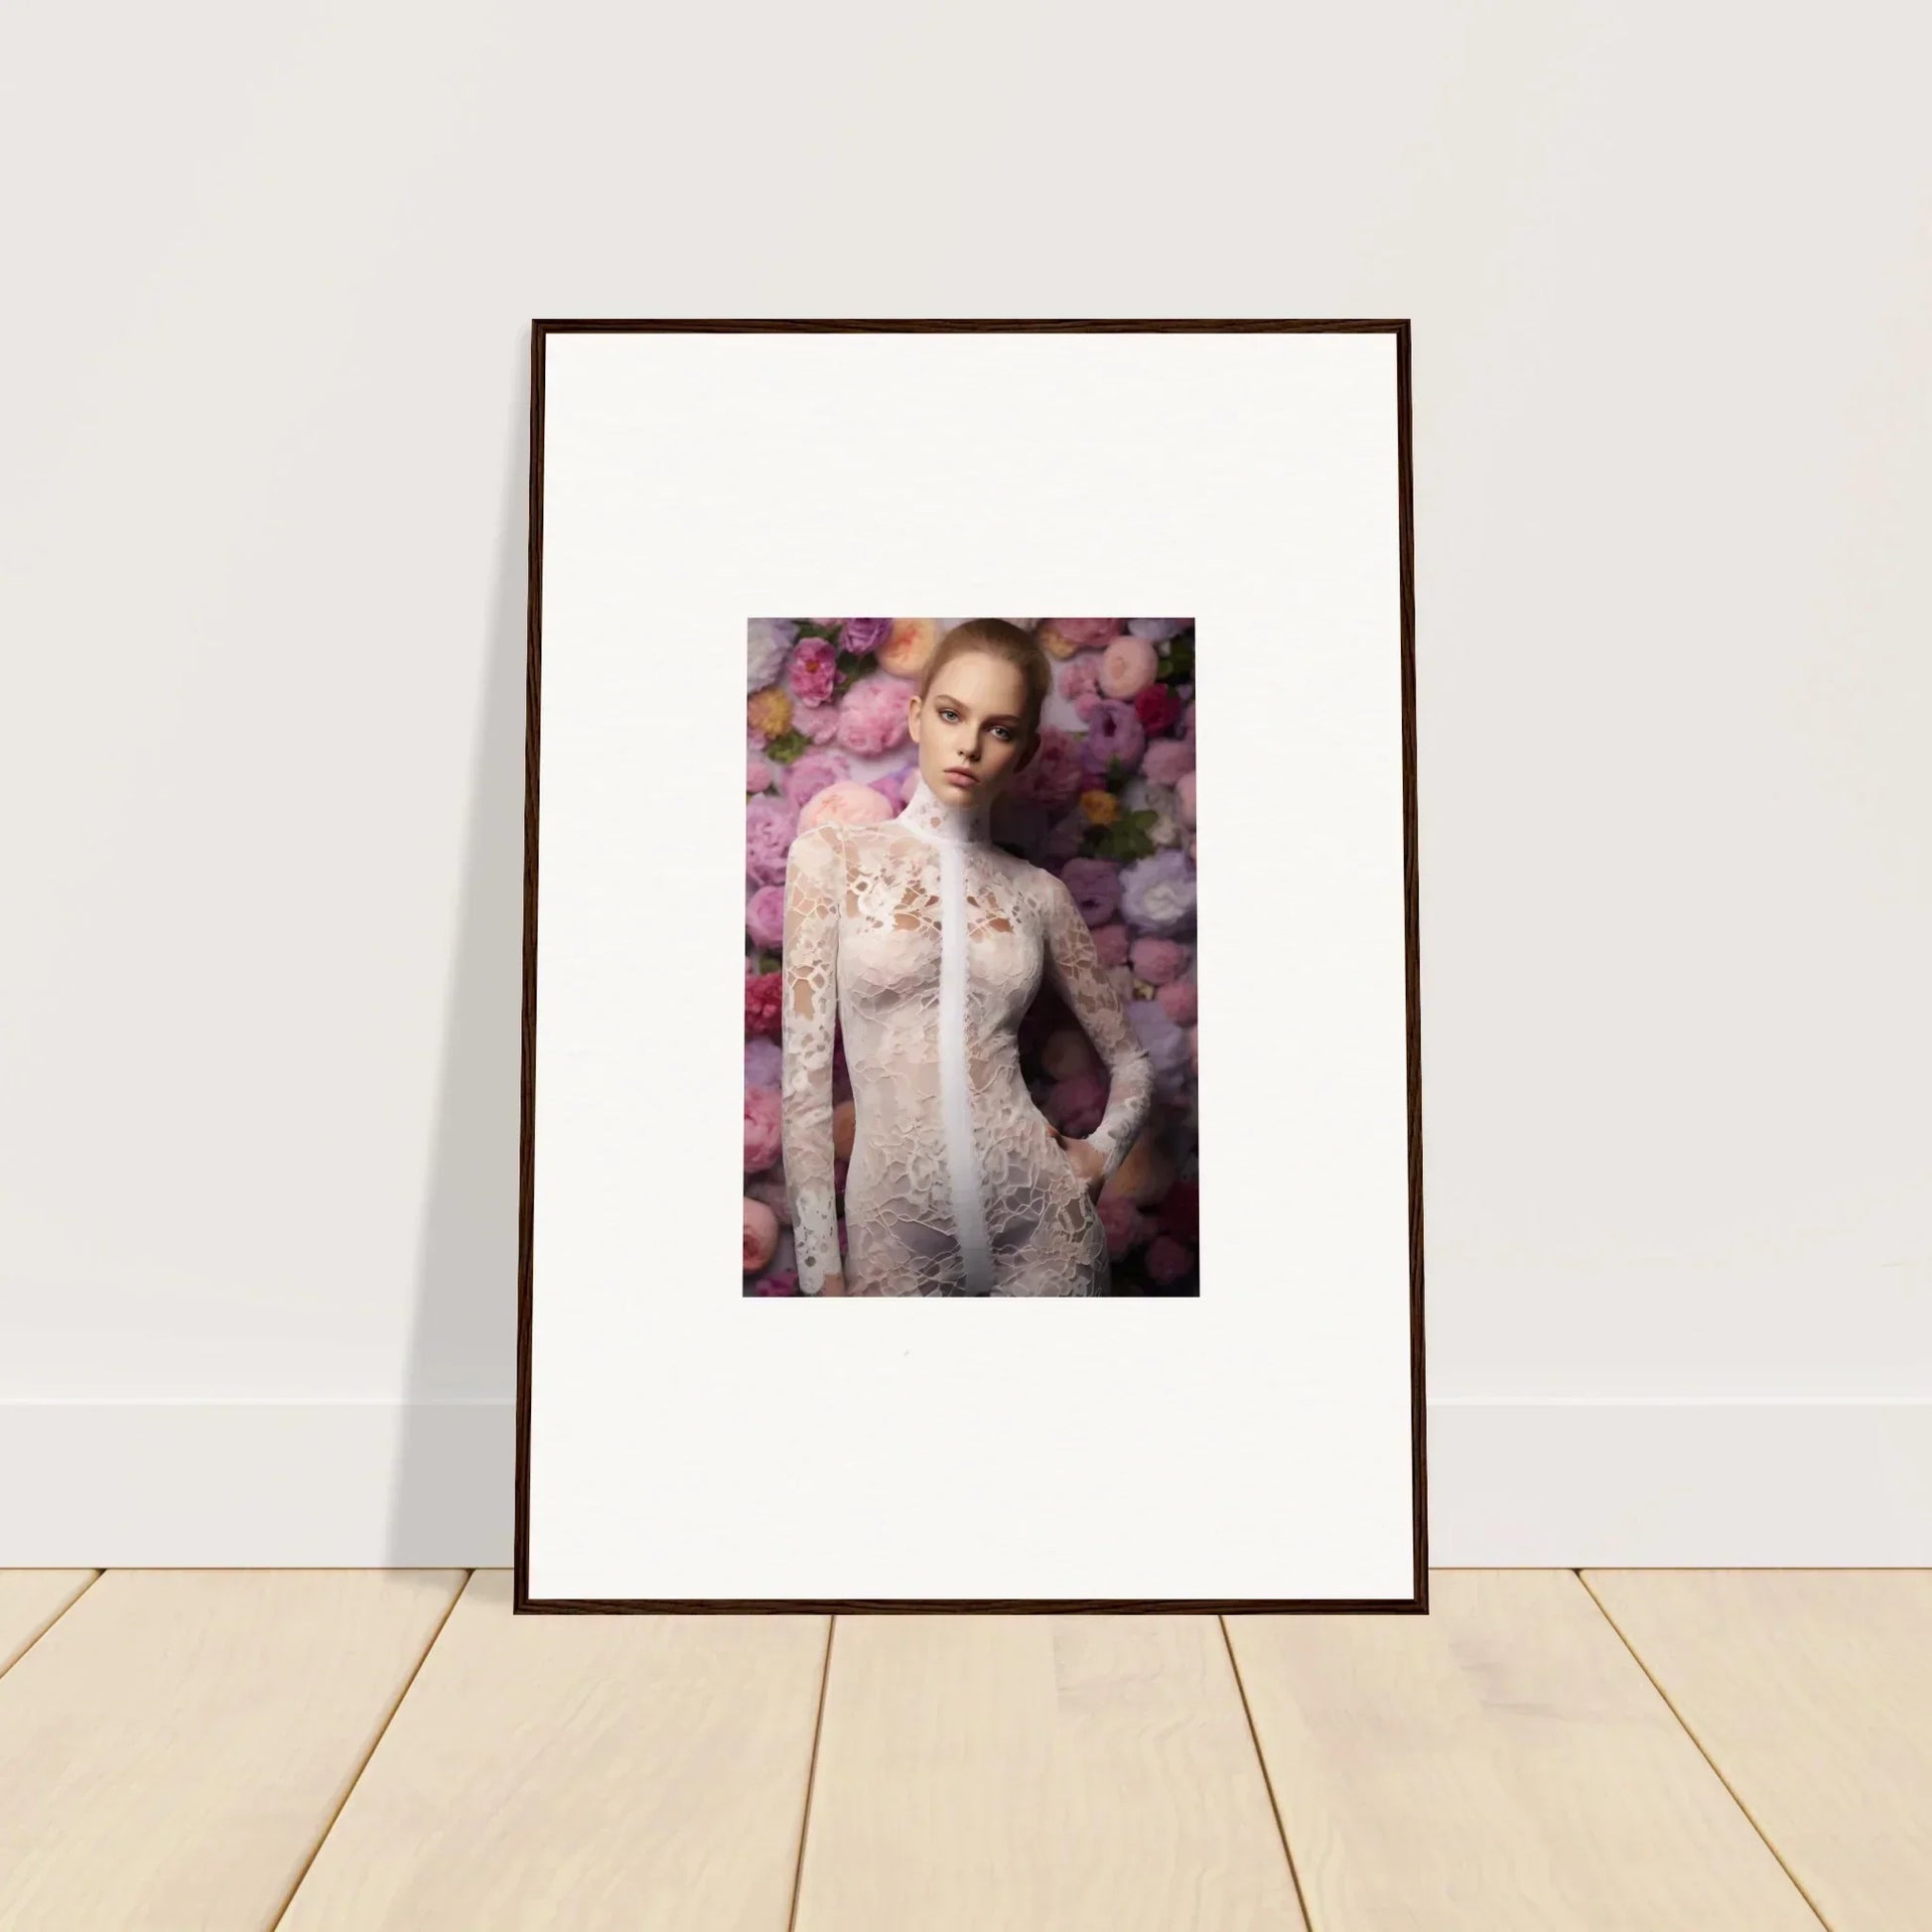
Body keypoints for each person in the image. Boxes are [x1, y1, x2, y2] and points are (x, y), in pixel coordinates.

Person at [780, 620, 1156, 1297]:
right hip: (895, 1236)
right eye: (953, 714)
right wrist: (819, 1277)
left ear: (1025, 749)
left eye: (1001, 729)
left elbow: (1133, 1062)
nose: (971, 745)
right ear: (918, 716)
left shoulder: (1041, 895)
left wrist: (1100, 1154)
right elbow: (803, 1092)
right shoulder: (831, 860)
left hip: (1044, 1224)